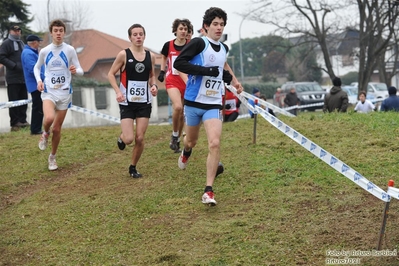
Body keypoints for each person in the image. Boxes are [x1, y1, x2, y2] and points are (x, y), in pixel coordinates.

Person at [174, 7, 242, 206]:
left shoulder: (224, 49)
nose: (219, 28)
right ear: (206, 26)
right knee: (191, 142)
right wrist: (206, 71)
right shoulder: (198, 43)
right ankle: (186, 152)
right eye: (215, 24)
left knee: (214, 143)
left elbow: (221, 72)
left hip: (213, 103)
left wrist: (235, 83)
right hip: (194, 102)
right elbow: (179, 64)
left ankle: (208, 190)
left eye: (222, 24)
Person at [108, 23, 158, 178]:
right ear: (130, 37)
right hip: (127, 102)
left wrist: (154, 85)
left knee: (140, 137)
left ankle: (133, 167)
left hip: (144, 102)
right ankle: (121, 137)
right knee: (129, 139)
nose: (138, 37)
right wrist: (117, 92)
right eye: (135, 34)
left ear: (144, 36)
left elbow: (151, 75)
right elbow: (110, 74)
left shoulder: (151, 56)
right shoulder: (123, 54)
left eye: (141, 34)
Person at [33, 19, 84, 171]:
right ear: (51, 33)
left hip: (65, 93)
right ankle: (45, 133)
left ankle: (52, 157)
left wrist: (76, 71)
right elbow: (37, 68)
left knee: (57, 129)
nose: (58, 33)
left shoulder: (70, 50)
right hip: (49, 91)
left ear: (64, 32)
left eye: (61, 30)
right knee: (48, 118)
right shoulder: (45, 51)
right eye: (56, 31)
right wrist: (39, 80)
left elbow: (81, 70)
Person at [158, 18, 192, 153]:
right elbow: (163, 57)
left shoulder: (191, 45)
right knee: (177, 106)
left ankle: (176, 140)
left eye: (185, 29)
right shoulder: (169, 45)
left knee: (183, 113)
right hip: (172, 80)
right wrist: (161, 71)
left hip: (187, 81)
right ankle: (174, 134)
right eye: (181, 29)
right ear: (175, 31)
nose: (183, 31)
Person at [0, 25, 29, 132]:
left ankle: (23, 121)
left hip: (23, 77)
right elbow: (1, 57)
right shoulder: (7, 43)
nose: (17, 32)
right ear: (10, 31)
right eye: (15, 30)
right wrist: (14, 65)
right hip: (13, 78)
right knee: (14, 101)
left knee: (24, 101)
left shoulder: (22, 44)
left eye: (18, 30)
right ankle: (15, 123)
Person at [21, 34, 44, 135]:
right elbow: (32, 69)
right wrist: (44, 77)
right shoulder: (28, 54)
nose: (39, 44)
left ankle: (37, 128)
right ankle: (35, 129)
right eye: (38, 42)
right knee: (37, 107)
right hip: (35, 85)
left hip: (37, 84)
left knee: (39, 106)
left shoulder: (31, 52)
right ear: (34, 42)